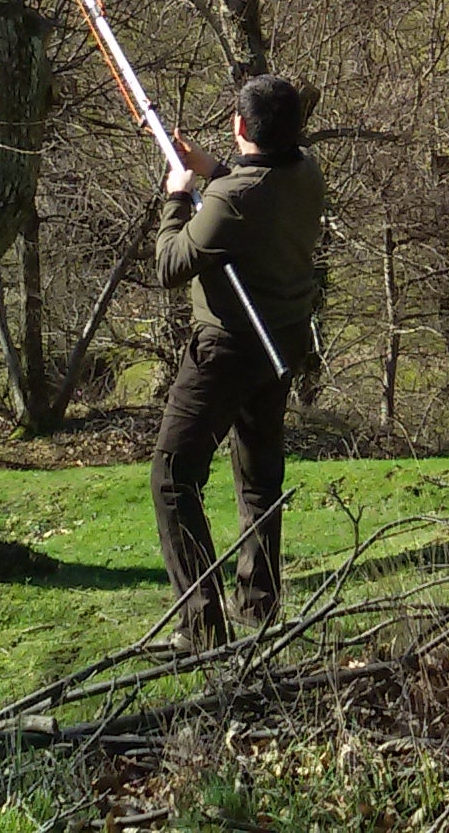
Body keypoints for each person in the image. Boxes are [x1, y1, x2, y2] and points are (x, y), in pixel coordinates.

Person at [149, 73, 326, 646]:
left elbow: (171, 264)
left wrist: (178, 193)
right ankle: (258, 607)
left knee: (173, 479)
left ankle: (202, 627)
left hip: (224, 353)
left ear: (241, 127)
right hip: (280, 345)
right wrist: (210, 169)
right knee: (258, 482)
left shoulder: (233, 199)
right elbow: (249, 191)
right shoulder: (306, 172)